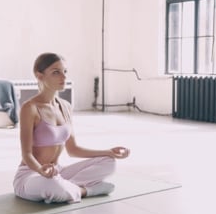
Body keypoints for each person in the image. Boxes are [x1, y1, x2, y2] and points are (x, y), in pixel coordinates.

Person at [13, 52, 130, 204]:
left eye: (65, 72)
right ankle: (86, 190)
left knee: (109, 162)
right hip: (32, 175)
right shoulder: (30, 108)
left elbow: (73, 150)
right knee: (51, 184)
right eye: (56, 72)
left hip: (58, 172)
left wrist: (108, 152)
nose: (64, 77)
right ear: (39, 75)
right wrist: (41, 170)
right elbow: (27, 154)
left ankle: (66, 189)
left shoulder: (66, 107)